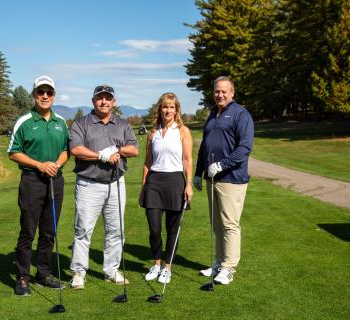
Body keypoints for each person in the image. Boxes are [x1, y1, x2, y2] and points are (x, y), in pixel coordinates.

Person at [68, 85, 138, 289]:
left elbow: (133, 148)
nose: (104, 102)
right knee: (83, 229)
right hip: (89, 184)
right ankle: (79, 272)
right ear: (93, 101)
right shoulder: (82, 124)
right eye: (100, 98)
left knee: (116, 230)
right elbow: (76, 149)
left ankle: (111, 270)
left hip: (116, 183)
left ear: (114, 102)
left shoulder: (122, 124)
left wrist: (116, 149)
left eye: (108, 98)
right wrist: (100, 155)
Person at [7, 75, 70, 296]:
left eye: (49, 92)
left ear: (54, 96)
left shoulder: (60, 122)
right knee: (28, 231)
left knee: (49, 231)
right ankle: (23, 277)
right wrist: (39, 165)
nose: (45, 96)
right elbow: (13, 153)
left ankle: (43, 274)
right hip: (32, 181)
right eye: (40, 92)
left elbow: (66, 150)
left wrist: (56, 164)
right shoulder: (24, 121)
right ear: (34, 95)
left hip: (55, 180)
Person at [193, 76, 254, 285]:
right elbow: (205, 147)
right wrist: (197, 173)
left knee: (230, 224)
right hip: (211, 179)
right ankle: (219, 263)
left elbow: (244, 148)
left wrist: (222, 165)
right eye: (217, 91)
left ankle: (229, 268)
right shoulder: (212, 114)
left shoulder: (240, 114)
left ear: (232, 92)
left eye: (224, 91)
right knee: (217, 224)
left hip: (231, 179)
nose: (220, 95)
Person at [140, 92, 193, 284]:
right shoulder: (153, 133)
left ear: (176, 110)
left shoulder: (183, 131)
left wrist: (188, 184)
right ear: (159, 109)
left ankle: (167, 268)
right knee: (154, 229)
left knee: (172, 229)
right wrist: (143, 186)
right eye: (164, 106)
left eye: (171, 107)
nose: (168, 110)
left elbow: (187, 160)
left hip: (175, 182)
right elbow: (147, 161)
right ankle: (156, 264)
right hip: (154, 182)